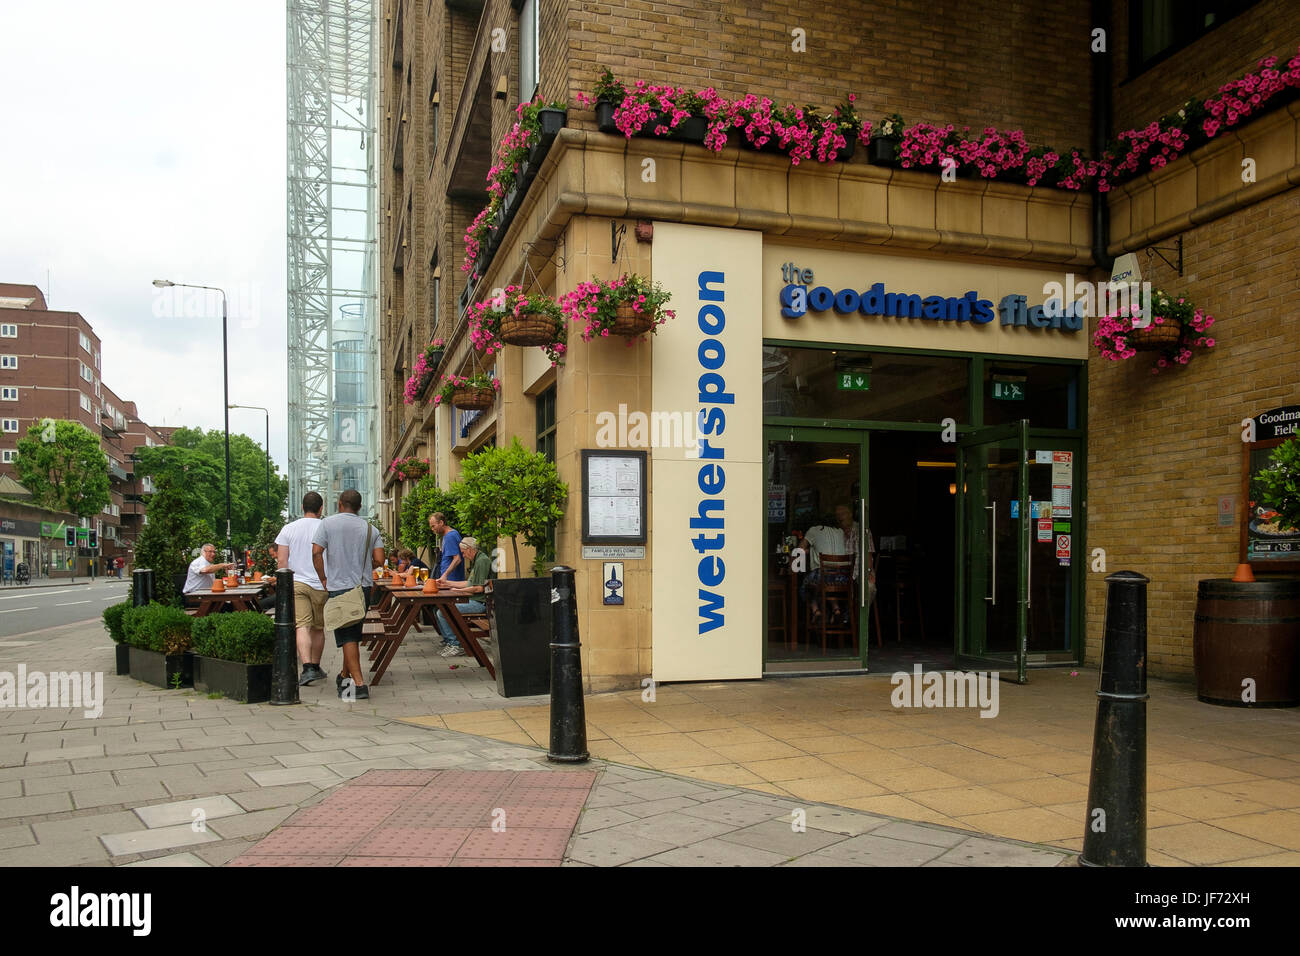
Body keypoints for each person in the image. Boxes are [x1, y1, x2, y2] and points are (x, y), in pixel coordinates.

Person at [312, 489, 385, 700]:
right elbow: (380, 560)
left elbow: (316, 552)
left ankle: (358, 686)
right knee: (351, 636)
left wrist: (323, 578)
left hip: (339, 588)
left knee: (348, 638)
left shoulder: (327, 524)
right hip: (362, 589)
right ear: (360, 507)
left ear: (340, 504)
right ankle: (343, 676)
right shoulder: (370, 529)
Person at [276, 491, 329, 686]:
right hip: (322, 583)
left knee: (302, 626)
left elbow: (282, 561)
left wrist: (283, 588)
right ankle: (315, 666)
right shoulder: (326, 527)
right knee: (318, 628)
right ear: (321, 508)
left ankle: (307, 668)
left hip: (297, 582)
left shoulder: (288, 529)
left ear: (302, 507)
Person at [434, 536, 492, 657]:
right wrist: (447, 583)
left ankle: (456, 645)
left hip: (480, 603)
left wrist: (459, 591)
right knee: (438, 609)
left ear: (470, 549)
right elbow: (469, 583)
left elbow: (479, 588)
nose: (463, 555)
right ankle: (449, 642)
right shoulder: (477, 560)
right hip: (473, 600)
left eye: (463, 552)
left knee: (442, 612)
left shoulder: (482, 561)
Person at [428, 512, 466, 585]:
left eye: (433, 526)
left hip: (452, 581)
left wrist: (445, 575)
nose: (432, 529)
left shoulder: (450, 536)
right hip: (450, 580)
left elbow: (457, 559)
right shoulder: (449, 535)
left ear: (441, 522)